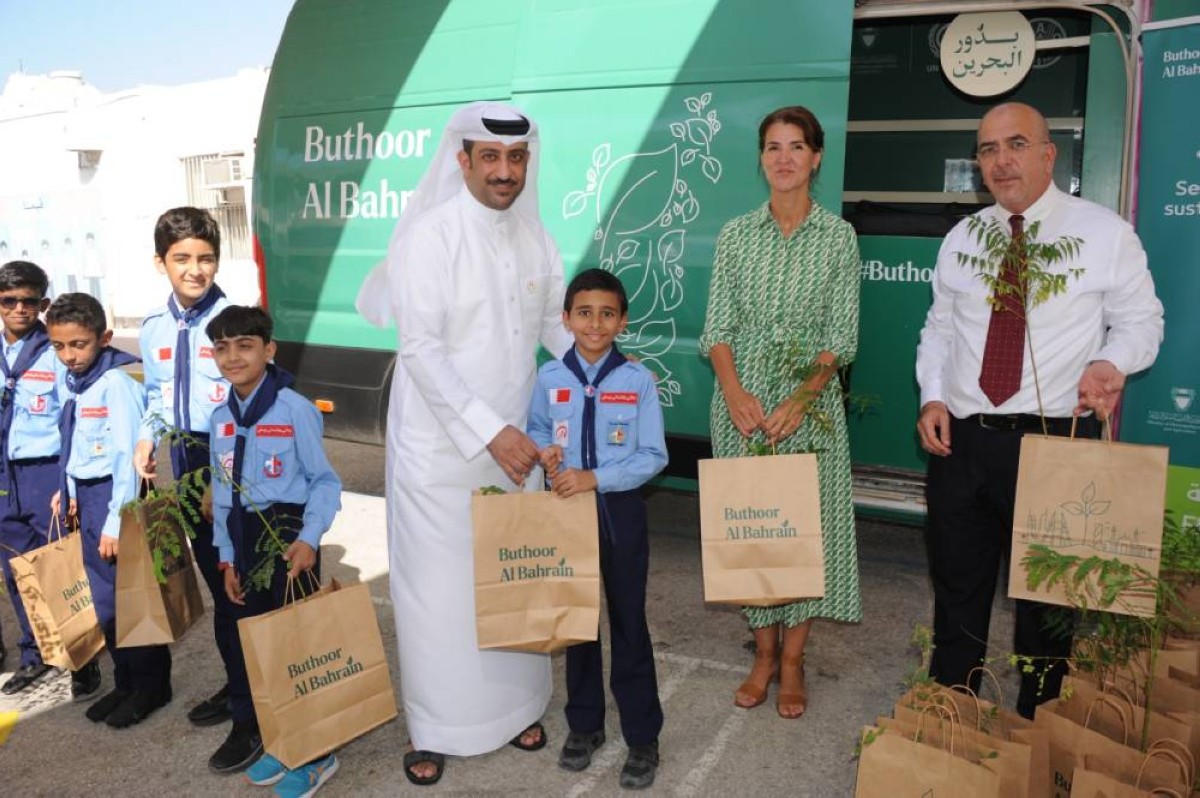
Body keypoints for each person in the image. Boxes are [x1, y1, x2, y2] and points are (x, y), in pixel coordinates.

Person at [915, 102, 1164, 718]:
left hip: (1055, 442)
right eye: (987, 149)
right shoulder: (963, 239)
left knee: (1050, 606)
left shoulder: (1104, 235)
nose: (1001, 160)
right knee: (956, 593)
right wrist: (934, 395)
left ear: (1050, 154)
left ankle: (1038, 725)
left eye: (1016, 144)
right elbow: (939, 331)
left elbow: (1142, 322)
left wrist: (1111, 363)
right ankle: (953, 717)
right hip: (963, 446)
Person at [355, 101, 574, 786]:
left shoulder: (536, 237)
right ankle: (437, 727)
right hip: (442, 453)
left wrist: (602, 384)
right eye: (491, 158)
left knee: (513, 576)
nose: (505, 172)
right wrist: (492, 431)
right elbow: (420, 349)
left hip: (518, 448)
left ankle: (515, 710)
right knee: (441, 597)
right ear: (464, 160)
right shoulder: (432, 236)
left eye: (516, 159)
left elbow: (558, 331)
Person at [699, 105, 862, 720]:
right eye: (773, 147)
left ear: (817, 157)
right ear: (762, 159)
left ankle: (793, 662)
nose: (784, 158)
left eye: (797, 146)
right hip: (742, 406)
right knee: (752, 532)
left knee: (802, 536)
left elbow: (841, 337)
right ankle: (762, 654)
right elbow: (716, 330)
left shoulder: (838, 237)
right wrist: (736, 393)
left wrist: (801, 399)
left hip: (808, 411)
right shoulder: (737, 234)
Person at [527, 268, 668, 789]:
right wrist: (546, 452)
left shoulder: (637, 380)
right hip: (567, 515)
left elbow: (654, 454)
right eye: (584, 313)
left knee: (629, 622)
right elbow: (538, 428)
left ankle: (643, 735)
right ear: (566, 319)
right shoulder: (550, 378)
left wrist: (596, 477)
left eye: (607, 313)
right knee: (578, 623)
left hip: (621, 512)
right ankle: (585, 726)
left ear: (622, 321)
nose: (595, 323)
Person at [204, 305, 343, 795]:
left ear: (269, 350)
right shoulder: (220, 418)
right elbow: (223, 496)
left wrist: (308, 538)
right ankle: (283, 740)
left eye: (245, 345)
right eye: (222, 347)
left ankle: (317, 753)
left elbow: (325, 482)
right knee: (259, 646)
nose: (232, 356)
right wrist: (225, 556)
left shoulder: (294, 408)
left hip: (286, 534)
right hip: (242, 535)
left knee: (298, 646)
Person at [133, 207, 237, 738]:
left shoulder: (236, 324)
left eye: (206, 258)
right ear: (161, 263)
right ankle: (238, 681)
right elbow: (156, 395)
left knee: (237, 579)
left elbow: (256, 405)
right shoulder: (153, 330)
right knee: (216, 581)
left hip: (230, 462)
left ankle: (250, 693)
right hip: (183, 458)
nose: (195, 270)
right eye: (182, 259)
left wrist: (225, 480)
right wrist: (148, 436)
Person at [46, 293, 173, 727]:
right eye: (59, 346)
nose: (69, 356)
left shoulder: (117, 380)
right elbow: (75, 441)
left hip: (116, 500)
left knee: (132, 598)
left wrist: (117, 522)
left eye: (78, 345)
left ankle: (152, 685)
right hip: (88, 496)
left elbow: (125, 458)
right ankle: (126, 681)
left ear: (104, 337)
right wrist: (67, 489)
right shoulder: (74, 381)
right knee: (105, 601)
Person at [0, 261, 98, 698]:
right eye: (9, 300)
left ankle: (83, 656)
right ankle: (34, 652)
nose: (20, 309)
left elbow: (72, 419)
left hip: (45, 472)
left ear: (43, 303)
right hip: (5, 474)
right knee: (17, 570)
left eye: (30, 301)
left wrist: (67, 482)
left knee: (62, 567)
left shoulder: (55, 350)